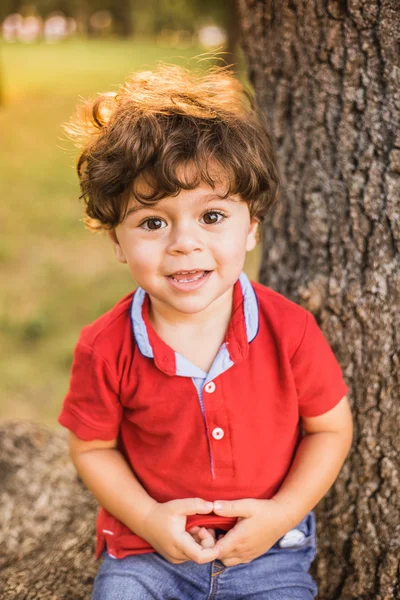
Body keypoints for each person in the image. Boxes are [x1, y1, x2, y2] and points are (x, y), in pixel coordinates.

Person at [57, 62, 353, 600]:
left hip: (267, 552)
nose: (183, 243)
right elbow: (92, 447)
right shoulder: (106, 347)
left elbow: (330, 430)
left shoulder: (291, 331)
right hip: (147, 554)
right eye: (153, 222)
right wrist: (147, 518)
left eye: (211, 217)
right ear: (118, 243)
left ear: (252, 228)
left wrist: (281, 514)